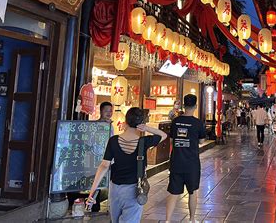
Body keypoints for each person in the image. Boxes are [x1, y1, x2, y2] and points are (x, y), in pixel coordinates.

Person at [86, 107, 167, 223]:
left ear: (125, 121)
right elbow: (163, 135)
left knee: (115, 220)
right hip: (134, 190)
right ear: (141, 123)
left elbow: (104, 166)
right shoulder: (144, 141)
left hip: (115, 190)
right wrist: (146, 128)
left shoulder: (113, 140)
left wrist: (92, 192)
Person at [166, 94, 206, 222]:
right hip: (192, 163)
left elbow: (171, 141)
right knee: (192, 192)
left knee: (173, 193)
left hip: (176, 162)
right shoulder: (198, 123)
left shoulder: (175, 121)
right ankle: (192, 219)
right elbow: (201, 141)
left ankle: (167, 220)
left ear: (184, 105)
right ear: (195, 106)